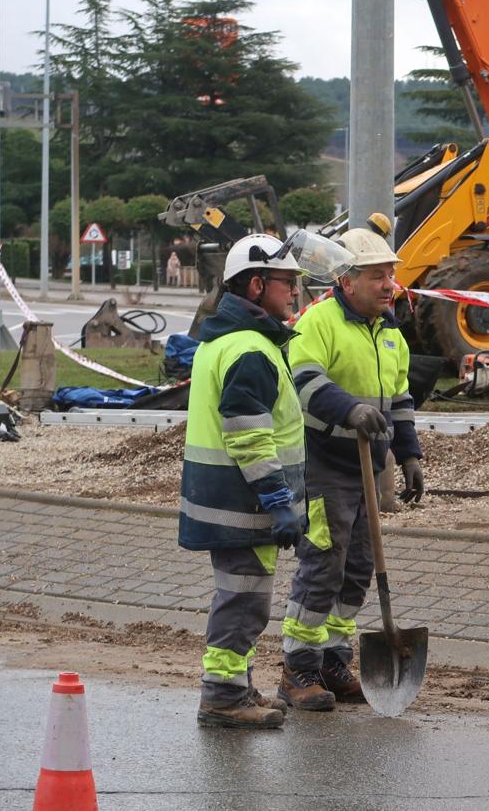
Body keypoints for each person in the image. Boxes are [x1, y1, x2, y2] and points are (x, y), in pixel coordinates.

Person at [278, 219, 424, 710]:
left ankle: (334, 660)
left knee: (358, 567)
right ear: (347, 281)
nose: (390, 286)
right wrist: (349, 409)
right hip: (323, 463)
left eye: (391, 276)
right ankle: (298, 668)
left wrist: (409, 455)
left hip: (368, 467)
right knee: (324, 564)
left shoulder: (390, 335)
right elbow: (304, 380)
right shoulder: (318, 323)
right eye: (378, 276)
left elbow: (399, 401)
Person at [179, 233, 307, 730]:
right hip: (244, 504)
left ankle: (234, 687)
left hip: (227, 500)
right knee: (243, 603)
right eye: (287, 282)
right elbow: (249, 437)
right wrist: (278, 502)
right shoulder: (250, 349)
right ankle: (222, 698)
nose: (295, 291)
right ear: (257, 285)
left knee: (242, 597)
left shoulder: (227, 341)